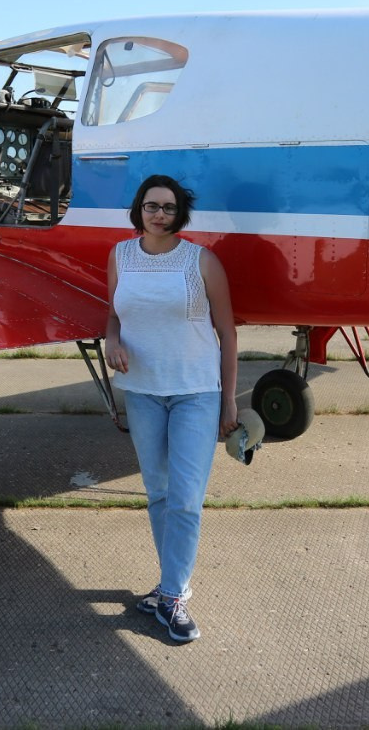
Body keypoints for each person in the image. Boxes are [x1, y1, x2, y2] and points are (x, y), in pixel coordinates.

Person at [104, 174, 238, 642]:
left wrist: (228, 401)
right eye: (151, 206)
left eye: (168, 207)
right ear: (138, 210)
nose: (159, 214)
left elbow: (227, 333)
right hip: (142, 391)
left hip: (195, 392)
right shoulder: (120, 255)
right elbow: (114, 315)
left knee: (185, 498)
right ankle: (169, 588)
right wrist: (111, 341)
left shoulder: (201, 261)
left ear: (180, 213)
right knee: (158, 493)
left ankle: (175, 594)